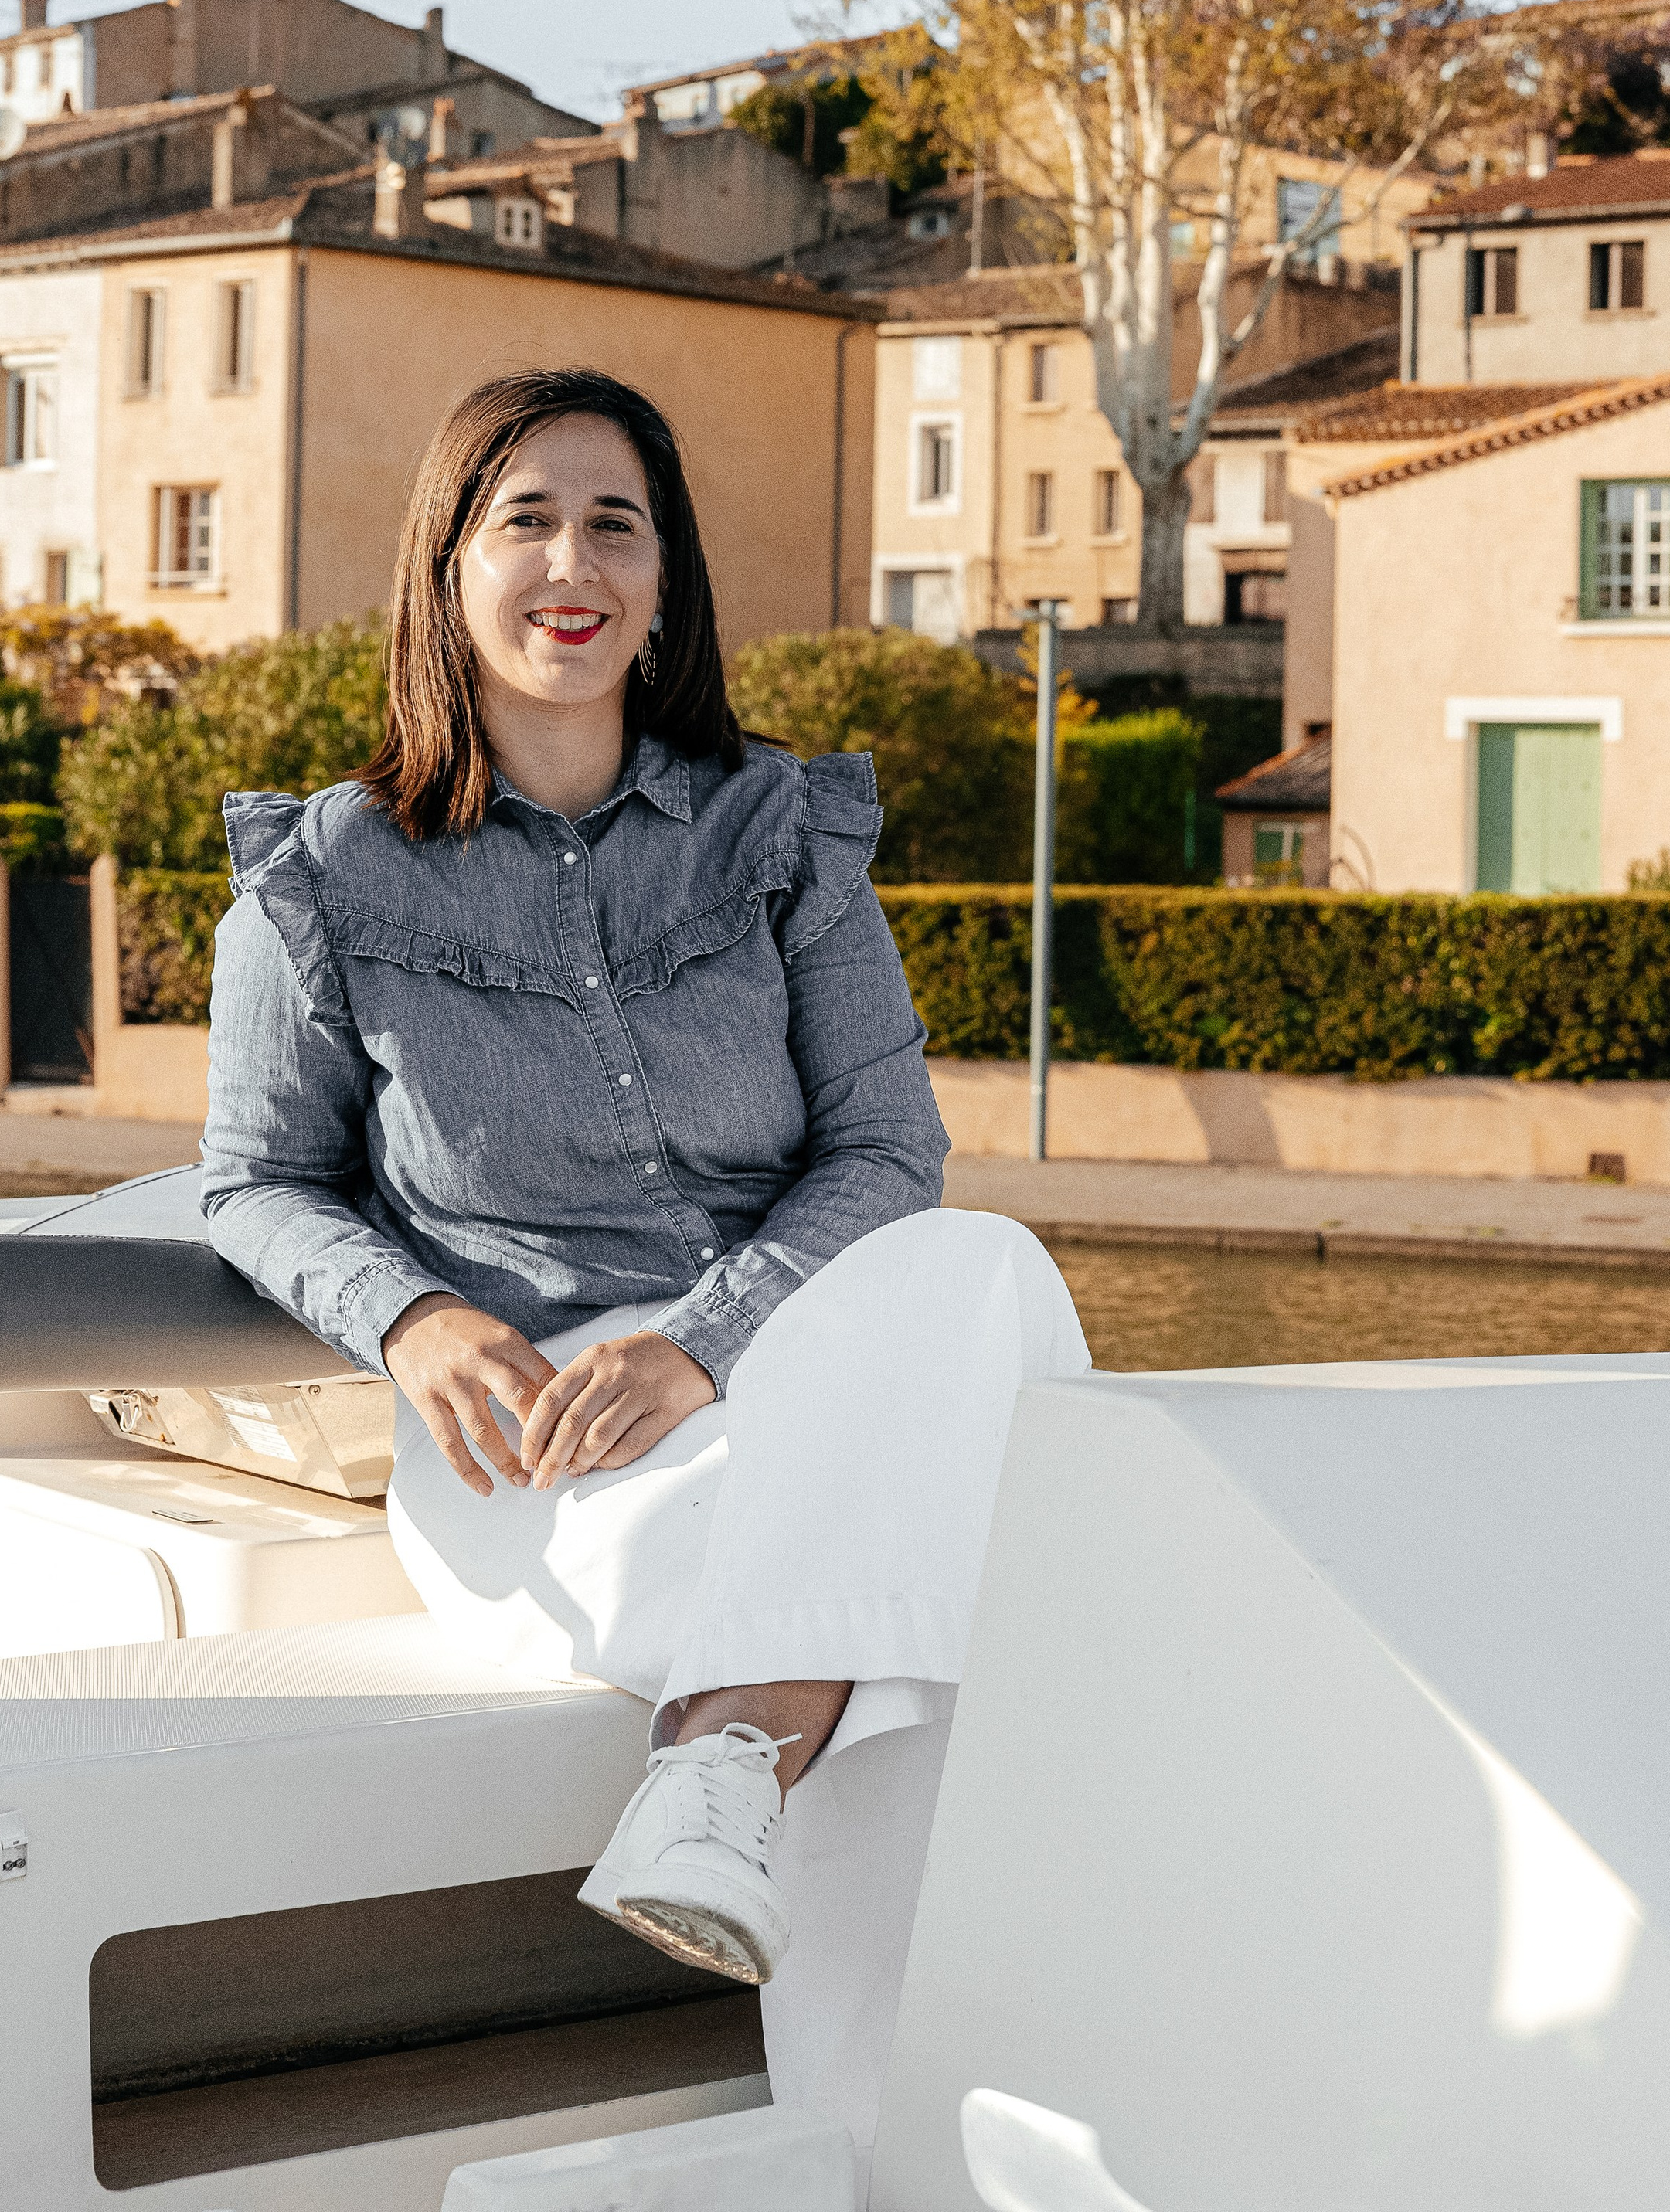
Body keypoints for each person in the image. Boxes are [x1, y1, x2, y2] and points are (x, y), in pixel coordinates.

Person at [201, 365, 1087, 2179]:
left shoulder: (781, 837)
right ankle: (873, 2111)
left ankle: (722, 1777)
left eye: (616, 523)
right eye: (522, 520)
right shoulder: (322, 881)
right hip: (535, 1446)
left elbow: (888, 1157)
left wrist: (703, 1343)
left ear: (666, 577)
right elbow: (256, 1183)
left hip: (782, 1385)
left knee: (977, 1265)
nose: (572, 564)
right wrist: (409, 1315)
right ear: (446, 569)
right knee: (914, 1624)